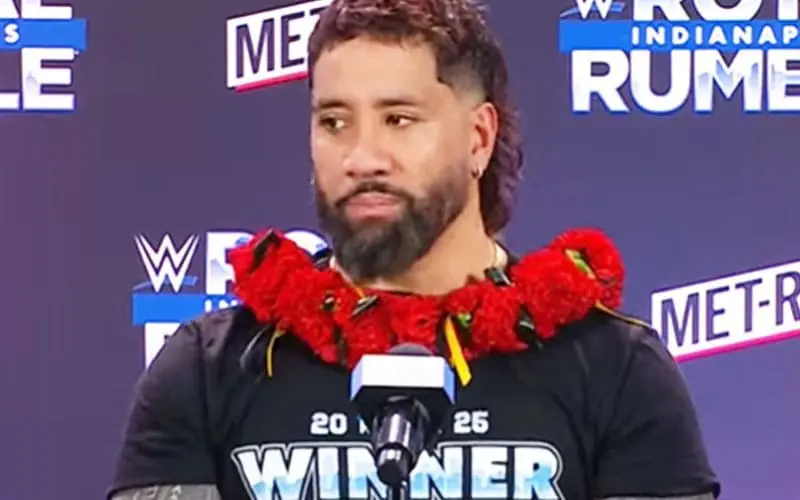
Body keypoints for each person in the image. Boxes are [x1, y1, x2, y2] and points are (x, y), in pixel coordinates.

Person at [107, 0, 720, 498]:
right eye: (334, 122)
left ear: (479, 138)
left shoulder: (615, 370)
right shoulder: (208, 371)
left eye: (398, 119)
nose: (362, 157)